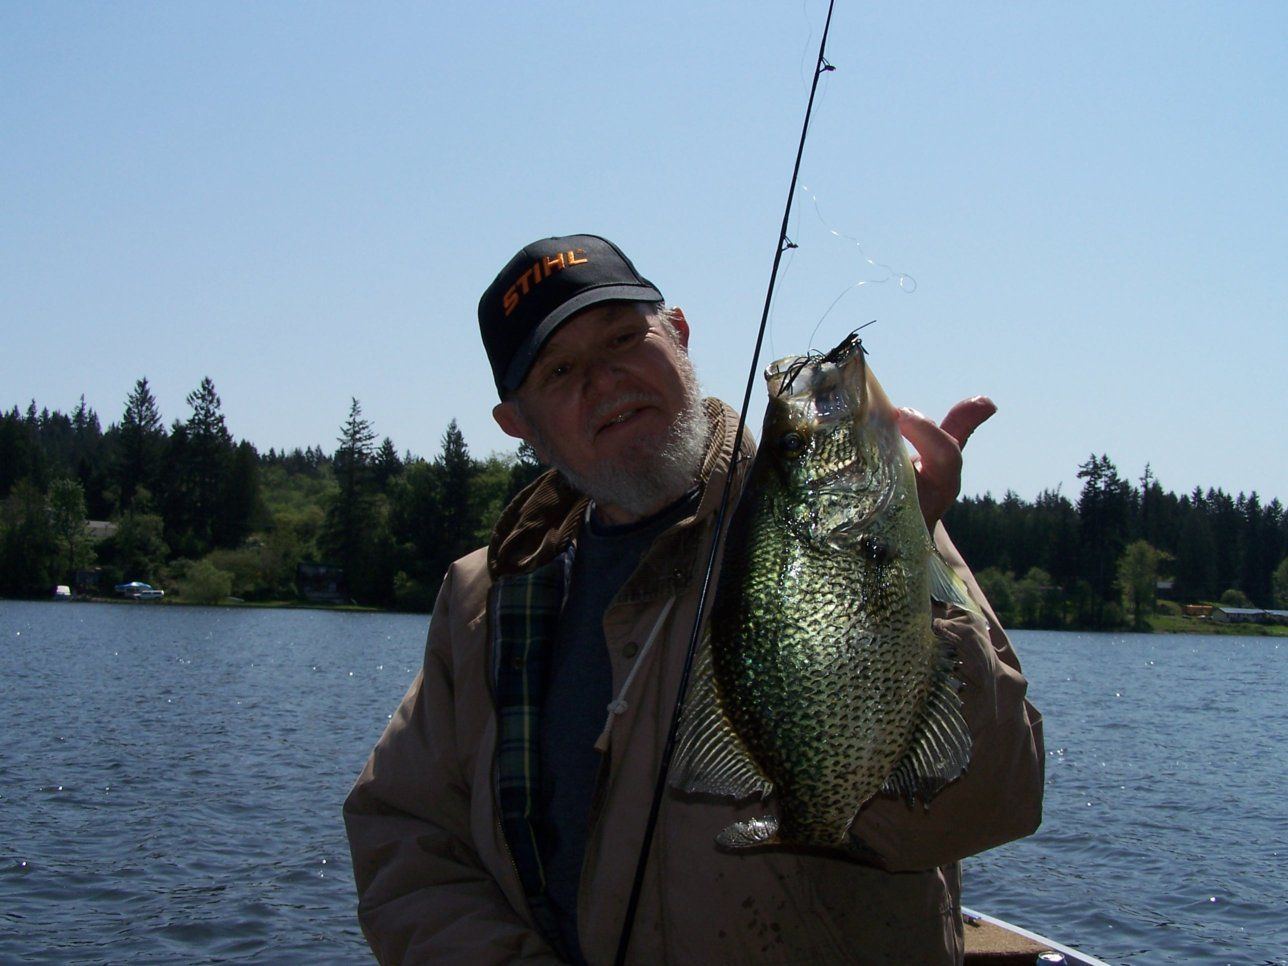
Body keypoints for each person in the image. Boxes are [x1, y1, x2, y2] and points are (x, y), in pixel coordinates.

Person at [344, 234, 1044, 964]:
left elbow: (993, 803)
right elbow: (406, 838)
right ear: (520, 425)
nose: (606, 380)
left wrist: (913, 543)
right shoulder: (487, 597)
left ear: (678, 335)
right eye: (559, 370)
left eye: (624, 338)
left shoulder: (846, 522)